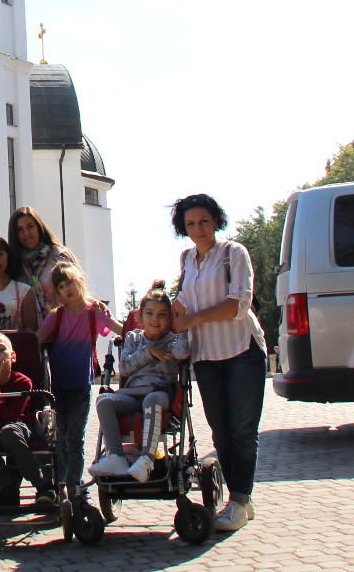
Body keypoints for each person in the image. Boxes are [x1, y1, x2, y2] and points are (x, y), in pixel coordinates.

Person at [169, 193, 266, 533]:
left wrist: (191, 318)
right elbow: (185, 299)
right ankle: (241, 499)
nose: (197, 229)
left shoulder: (233, 253)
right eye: (190, 223)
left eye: (204, 222)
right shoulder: (187, 259)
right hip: (206, 356)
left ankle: (238, 501)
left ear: (216, 221)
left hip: (242, 351)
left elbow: (237, 305)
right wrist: (174, 309)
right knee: (221, 433)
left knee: (242, 431)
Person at [36, 261, 122, 499]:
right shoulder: (56, 316)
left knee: (75, 438)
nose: (67, 289)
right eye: (61, 286)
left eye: (70, 282)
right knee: (61, 438)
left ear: (80, 281)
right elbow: (36, 340)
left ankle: (74, 487)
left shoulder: (95, 313)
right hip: (58, 387)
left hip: (81, 386)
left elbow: (121, 330)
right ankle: (65, 484)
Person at [89, 284, 189, 483]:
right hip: (132, 395)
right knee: (104, 400)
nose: (155, 319)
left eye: (162, 315)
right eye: (149, 313)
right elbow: (125, 367)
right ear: (140, 318)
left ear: (169, 318)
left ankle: (146, 459)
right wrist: (149, 351)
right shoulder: (134, 339)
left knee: (151, 399)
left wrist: (182, 327)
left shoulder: (172, 341)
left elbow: (182, 353)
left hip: (159, 394)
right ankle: (116, 456)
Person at [0, 331, 54, 506]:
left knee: (9, 432)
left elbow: (10, 421)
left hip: (19, 426)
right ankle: (7, 484)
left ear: (12, 356)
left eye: (1, 349)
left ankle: (41, 485)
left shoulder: (23, 382)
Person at [6, 207, 79, 327]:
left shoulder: (60, 256)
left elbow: (78, 292)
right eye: (20, 229)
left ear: (39, 227)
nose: (26, 233)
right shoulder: (13, 265)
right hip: (30, 336)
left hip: (65, 330)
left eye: (30, 226)